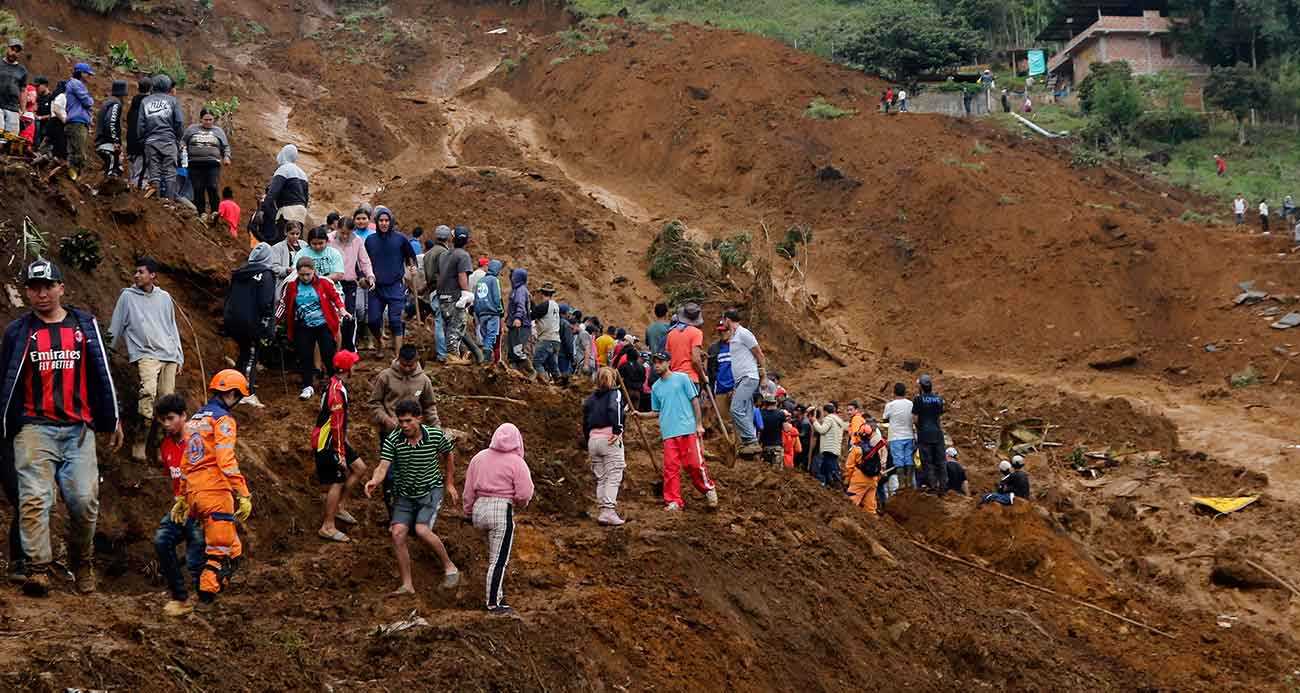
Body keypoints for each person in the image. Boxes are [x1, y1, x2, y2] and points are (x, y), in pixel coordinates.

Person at [1, 260, 122, 596]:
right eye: (34, 287)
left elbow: (102, 371)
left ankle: (83, 561)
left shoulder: (84, 325)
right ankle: (37, 568)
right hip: (33, 429)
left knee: (84, 499)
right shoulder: (18, 332)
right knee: (35, 498)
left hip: (77, 430)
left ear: (61, 288)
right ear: (26, 292)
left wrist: (111, 418)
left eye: (48, 286)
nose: (41, 293)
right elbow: (5, 381)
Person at [364, 398, 460, 595]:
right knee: (397, 533)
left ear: (419, 418)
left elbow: (448, 454)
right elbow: (383, 465)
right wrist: (375, 480)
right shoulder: (394, 439)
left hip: (430, 490)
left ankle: (450, 567)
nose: (404, 425)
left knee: (421, 530)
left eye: (409, 421)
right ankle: (407, 584)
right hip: (406, 494)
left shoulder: (434, 435)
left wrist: (449, 483)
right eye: (401, 421)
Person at [178, 370, 253, 609]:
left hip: (195, 493)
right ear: (231, 394)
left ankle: (213, 587)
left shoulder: (194, 421)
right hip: (215, 493)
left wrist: (181, 496)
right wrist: (243, 493)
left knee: (233, 549)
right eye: (238, 397)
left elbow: (185, 461)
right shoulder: (223, 420)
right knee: (218, 554)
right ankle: (206, 600)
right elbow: (225, 459)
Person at [108, 256, 184, 462]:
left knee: (166, 400)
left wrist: (179, 356)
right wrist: (106, 350)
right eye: (136, 272)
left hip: (169, 354)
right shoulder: (127, 297)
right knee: (148, 393)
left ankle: (160, 445)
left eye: (141, 272)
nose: (136, 275)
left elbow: (171, 327)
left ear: (153, 275)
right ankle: (140, 441)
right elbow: (116, 326)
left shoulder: (165, 298)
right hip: (145, 353)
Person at [462, 422, 534, 614]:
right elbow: (525, 493)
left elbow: (468, 491)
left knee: (487, 556)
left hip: (478, 508)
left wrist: (468, 512)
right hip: (500, 510)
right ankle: (493, 602)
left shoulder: (478, 458)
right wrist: (520, 505)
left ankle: (497, 593)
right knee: (498, 560)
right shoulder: (516, 462)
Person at [634, 352, 717, 511]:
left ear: (668, 362)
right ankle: (673, 501)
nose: (657, 365)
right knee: (670, 468)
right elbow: (657, 411)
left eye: (660, 362)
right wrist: (641, 415)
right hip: (668, 433)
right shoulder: (656, 387)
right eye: (655, 362)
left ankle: (708, 488)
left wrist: (699, 424)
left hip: (687, 429)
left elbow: (695, 401)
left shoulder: (682, 378)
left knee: (693, 464)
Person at [151, 393, 205, 617]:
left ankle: (206, 600)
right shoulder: (166, 446)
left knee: (196, 558)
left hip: (202, 507)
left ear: (184, 416)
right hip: (181, 508)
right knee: (162, 541)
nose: (166, 424)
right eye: (163, 420)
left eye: (171, 418)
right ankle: (180, 598)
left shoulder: (199, 442)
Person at [313, 350, 367, 543]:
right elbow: (335, 425)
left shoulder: (338, 385)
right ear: (347, 368)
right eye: (354, 364)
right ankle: (327, 526)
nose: (356, 367)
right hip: (327, 443)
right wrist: (340, 453)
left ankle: (340, 507)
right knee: (337, 480)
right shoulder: (336, 392)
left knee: (360, 468)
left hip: (336, 439)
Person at [277, 255, 345, 400]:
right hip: (303, 326)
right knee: (305, 356)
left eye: (308, 274)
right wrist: (275, 323)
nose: (305, 277)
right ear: (297, 273)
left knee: (328, 354)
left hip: (323, 325)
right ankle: (307, 386)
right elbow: (284, 304)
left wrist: (342, 310)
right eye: (302, 275)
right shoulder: (292, 286)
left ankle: (335, 383)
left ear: (314, 271)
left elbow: (336, 297)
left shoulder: (324, 283)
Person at [223, 244, 277, 408]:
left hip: (233, 320)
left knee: (244, 354)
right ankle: (247, 393)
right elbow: (266, 302)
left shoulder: (240, 273)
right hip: (252, 323)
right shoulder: (266, 275)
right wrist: (267, 327)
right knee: (251, 355)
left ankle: (236, 388)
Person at [364, 206, 417, 360]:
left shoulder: (400, 239)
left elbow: (410, 257)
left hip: (395, 286)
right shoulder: (370, 240)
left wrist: (412, 267)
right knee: (373, 320)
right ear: (377, 222)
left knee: (395, 320)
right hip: (376, 287)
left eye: (387, 220)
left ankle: (398, 354)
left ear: (391, 222)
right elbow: (363, 260)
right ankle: (380, 342)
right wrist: (364, 277)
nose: (384, 223)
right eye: (381, 220)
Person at [583, 367, 627, 526]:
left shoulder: (590, 399)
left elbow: (585, 420)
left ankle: (603, 510)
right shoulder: (615, 394)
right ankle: (608, 511)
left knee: (601, 478)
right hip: (609, 438)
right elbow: (615, 409)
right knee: (614, 475)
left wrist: (587, 439)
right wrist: (618, 429)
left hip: (593, 439)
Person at [722, 309, 766, 455]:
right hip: (741, 380)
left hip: (749, 377)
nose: (723, 323)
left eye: (724, 320)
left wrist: (763, 375)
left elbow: (759, 353)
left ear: (728, 319)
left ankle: (751, 440)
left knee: (735, 409)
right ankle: (749, 445)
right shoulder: (734, 336)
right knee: (745, 412)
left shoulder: (744, 333)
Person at [329, 217, 374, 352]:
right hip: (332, 282)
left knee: (349, 315)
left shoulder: (357, 240)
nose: (344, 236)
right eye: (342, 232)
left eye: (347, 233)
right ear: (337, 229)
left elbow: (364, 260)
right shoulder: (329, 240)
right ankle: (333, 349)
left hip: (349, 283)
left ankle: (349, 348)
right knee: (334, 316)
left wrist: (370, 276)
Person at [182, 109, 233, 223]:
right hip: (194, 163)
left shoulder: (218, 131)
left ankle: (215, 211)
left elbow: (226, 146)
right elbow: (183, 141)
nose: (208, 122)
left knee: (212, 186)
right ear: (200, 119)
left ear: (213, 120)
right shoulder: (192, 129)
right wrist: (183, 149)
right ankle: (202, 213)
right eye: (206, 119)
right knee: (198, 187)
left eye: (210, 120)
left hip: (212, 163)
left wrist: (227, 157)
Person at [137, 74, 183, 197]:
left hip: (151, 141)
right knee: (170, 172)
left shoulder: (145, 101)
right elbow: (179, 122)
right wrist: (177, 139)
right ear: (168, 86)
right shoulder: (173, 101)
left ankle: (156, 203)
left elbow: (141, 124)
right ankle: (169, 201)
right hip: (169, 140)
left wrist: (143, 139)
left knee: (154, 171)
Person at [435, 225, 474, 363]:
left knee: (448, 326)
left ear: (452, 238)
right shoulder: (463, 255)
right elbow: (462, 276)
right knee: (456, 327)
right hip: (455, 296)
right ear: (467, 241)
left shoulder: (444, 254)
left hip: (443, 296)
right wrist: (467, 294)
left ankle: (457, 354)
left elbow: (440, 275)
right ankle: (452, 358)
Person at [258, 144, 310, 245]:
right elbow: (306, 197)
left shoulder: (283, 169)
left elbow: (273, 192)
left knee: (283, 242)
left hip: (287, 211)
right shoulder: (303, 173)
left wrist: (263, 210)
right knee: (296, 242)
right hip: (301, 212)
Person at [913, 374, 947, 493]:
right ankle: (943, 486)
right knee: (941, 461)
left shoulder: (918, 399)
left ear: (921, 387)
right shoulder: (939, 399)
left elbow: (915, 419)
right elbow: (940, 414)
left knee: (927, 462)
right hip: (937, 433)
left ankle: (933, 486)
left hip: (924, 434)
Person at [843, 419, 886, 514]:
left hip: (859, 480)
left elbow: (849, 467)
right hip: (873, 481)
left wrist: (846, 481)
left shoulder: (856, 449)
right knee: (870, 509)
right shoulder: (874, 450)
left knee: (851, 505)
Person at [421, 225, 451, 357]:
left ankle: (443, 353)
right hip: (441, 291)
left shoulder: (428, 253)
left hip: (432, 290)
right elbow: (443, 275)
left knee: (440, 321)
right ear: (448, 237)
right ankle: (443, 354)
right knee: (441, 322)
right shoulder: (443, 253)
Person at [63, 63, 94, 180]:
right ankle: (76, 178)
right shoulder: (76, 84)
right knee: (79, 154)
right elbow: (88, 102)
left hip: (74, 121)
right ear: (81, 73)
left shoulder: (72, 83)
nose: (89, 77)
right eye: (87, 74)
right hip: (77, 122)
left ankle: (72, 178)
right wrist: (91, 100)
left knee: (73, 152)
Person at [882, 383, 916, 489]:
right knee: (909, 458)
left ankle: (901, 484)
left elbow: (885, 419)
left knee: (898, 460)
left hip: (895, 437)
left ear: (894, 392)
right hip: (909, 435)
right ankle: (909, 482)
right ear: (905, 392)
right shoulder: (911, 404)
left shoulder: (890, 405)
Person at [667, 303, 707, 385]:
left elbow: (668, 358)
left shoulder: (671, 334)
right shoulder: (697, 333)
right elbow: (696, 360)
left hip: (675, 379)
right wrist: (703, 377)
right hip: (690, 378)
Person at [93, 80, 126, 177]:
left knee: (114, 168)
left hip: (102, 141)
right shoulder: (115, 103)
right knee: (111, 172)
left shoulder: (107, 103)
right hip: (107, 143)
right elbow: (110, 122)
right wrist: (115, 140)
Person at [473, 258, 505, 359]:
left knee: (484, 335)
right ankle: (485, 359)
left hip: (481, 314)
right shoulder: (494, 280)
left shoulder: (480, 281)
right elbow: (497, 297)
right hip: (492, 313)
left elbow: (476, 298)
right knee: (491, 336)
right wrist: (501, 311)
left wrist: (477, 312)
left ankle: (483, 356)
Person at [531, 282, 562, 380]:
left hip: (546, 339)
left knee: (537, 362)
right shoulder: (556, 305)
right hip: (556, 340)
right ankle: (562, 386)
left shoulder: (545, 305)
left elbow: (532, 315)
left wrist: (531, 302)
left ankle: (545, 382)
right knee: (554, 368)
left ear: (542, 293)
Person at [811, 403, 846, 488]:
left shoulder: (829, 419)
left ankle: (836, 483)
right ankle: (828, 484)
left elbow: (822, 430)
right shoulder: (838, 421)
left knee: (830, 467)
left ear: (825, 411)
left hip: (828, 447)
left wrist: (814, 421)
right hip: (835, 447)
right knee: (826, 467)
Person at [125, 77, 150, 187]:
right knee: (141, 176)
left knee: (133, 173)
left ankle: (132, 195)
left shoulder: (133, 104)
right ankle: (137, 197)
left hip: (130, 143)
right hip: (141, 145)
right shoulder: (149, 105)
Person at [506, 267, 533, 372]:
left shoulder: (521, 290)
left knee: (517, 350)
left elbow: (520, 305)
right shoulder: (517, 289)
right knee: (513, 351)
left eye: (514, 277)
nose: (512, 279)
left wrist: (518, 318)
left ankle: (530, 370)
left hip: (521, 325)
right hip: (515, 324)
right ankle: (515, 372)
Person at [0, 37, 26, 137]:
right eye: (12, 49)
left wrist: (23, 109)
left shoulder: (22, 70)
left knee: (11, 138)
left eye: (17, 51)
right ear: (8, 48)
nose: (14, 53)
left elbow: (23, 90)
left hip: (13, 107)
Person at [757, 394, 785, 466]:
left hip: (765, 446)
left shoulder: (761, 414)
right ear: (775, 403)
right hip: (777, 446)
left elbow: (759, 431)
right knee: (777, 473)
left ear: (765, 403)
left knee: (766, 473)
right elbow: (786, 429)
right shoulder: (780, 414)